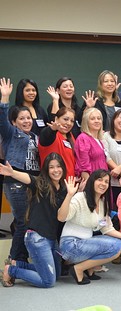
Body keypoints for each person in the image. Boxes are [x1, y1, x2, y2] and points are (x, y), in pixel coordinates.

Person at [58, 169, 121, 285]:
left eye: (106, 181)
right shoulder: (80, 197)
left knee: (117, 247)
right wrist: (69, 195)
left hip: (85, 243)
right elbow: (61, 217)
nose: (103, 184)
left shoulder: (102, 203)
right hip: (71, 245)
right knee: (115, 245)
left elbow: (106, 228)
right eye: (100, 180)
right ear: (92, 181)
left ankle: (88, 269)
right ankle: (79, 269)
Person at [0, 153, 67, 288]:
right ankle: (12, 270)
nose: (56, 170)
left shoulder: (64, 188)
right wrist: (12, 173)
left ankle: (17, 264)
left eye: (58, 166)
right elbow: (29, 179)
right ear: (47, 170)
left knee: (57, 273)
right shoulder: (42, 184)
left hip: (51, 239)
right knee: (48, 281)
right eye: (51, 167)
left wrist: (73, 193)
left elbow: (62, 217)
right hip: (37, 238)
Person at [0, 78, 40, 263]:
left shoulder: (33, 136)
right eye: (21, 119)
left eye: (28, 118)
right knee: (23, 222)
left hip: (31, 182)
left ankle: (21, 259)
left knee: (26, 222)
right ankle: (12, 261)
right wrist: (5, 99)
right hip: (15, 181)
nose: (26, 121)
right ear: (14, 122)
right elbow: (2, 121)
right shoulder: (11, 134)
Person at [38, 107, 76, 178]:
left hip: (70, 184)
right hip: (52, 184)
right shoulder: (50, 135)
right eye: (65, 119)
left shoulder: (71, 137)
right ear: (56, 119)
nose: (69, 123)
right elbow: (46, 135)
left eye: (72, 121)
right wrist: (53, 129)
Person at [74, 108, 108, 181]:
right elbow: (84, 166)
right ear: (86, 122)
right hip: (92, 180)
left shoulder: (99, 140)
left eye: (99, 118)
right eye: (92, 119)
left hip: (102, 179)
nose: (96, 121)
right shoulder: (83, 138)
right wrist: (88, 185)